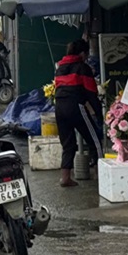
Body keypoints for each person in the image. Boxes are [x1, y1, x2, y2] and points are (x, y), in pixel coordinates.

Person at [53, 39, 102, 187]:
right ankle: (99, 173)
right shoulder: (82, 68)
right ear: (82, 53)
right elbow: (91, 93)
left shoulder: (60, 67)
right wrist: (99, 115)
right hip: (76, 107)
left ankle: (65, 178)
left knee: (68, 144)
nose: (87, 57)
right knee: (95, 139)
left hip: (59, 108)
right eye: (86, 54)